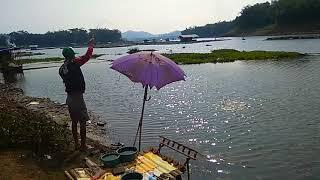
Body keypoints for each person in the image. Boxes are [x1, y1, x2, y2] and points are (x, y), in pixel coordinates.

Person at [59, 38, 94, 151]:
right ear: (72, 56)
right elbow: (87, 56)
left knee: (74, 121)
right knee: (83, 121)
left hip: (69, 97)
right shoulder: (75, 63)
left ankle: (76, 144)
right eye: (73, 55)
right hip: (77, 97)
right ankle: (83, 146)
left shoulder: (61, 68)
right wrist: (90, 45)